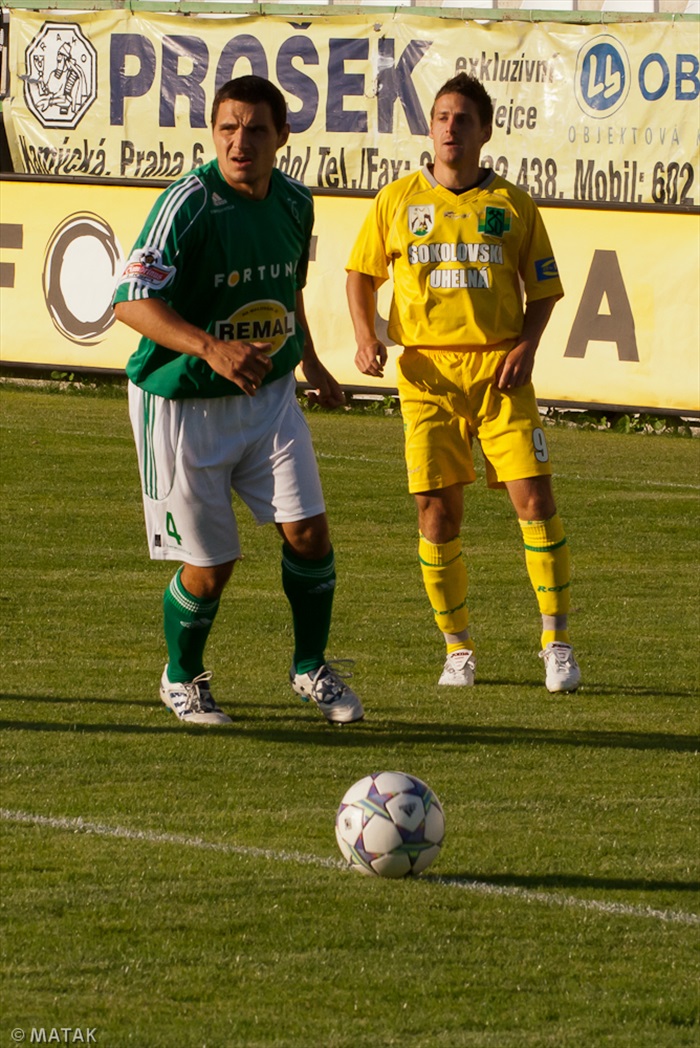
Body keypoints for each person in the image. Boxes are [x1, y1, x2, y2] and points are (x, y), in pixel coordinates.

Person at [113, 75, 364, 725]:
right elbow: (130, 302)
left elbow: (287, 289)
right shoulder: (188, 204)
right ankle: (181, 677)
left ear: (283, 136)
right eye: (227, 128)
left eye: (255, 129)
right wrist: (211, 349)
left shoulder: (295, 202)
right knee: (212, 566)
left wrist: (309, 360)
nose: (239, 141)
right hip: (184, 405)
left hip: (270, 396)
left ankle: (310, 667)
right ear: (213, 133)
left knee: (309, 534)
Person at [346, 72, 580, 693]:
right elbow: (360, 275)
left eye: (463, 119)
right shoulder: (396, 200)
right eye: (442, 118)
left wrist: (527, 344)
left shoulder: (513, 204)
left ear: (486, 131)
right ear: (430, 128)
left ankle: (556, 643)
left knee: (535, 501)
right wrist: (366, 336)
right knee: (436, 514)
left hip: (499, 372)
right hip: (426, 375)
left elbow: (545, 288)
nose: (451, 128)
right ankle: (458, 650)